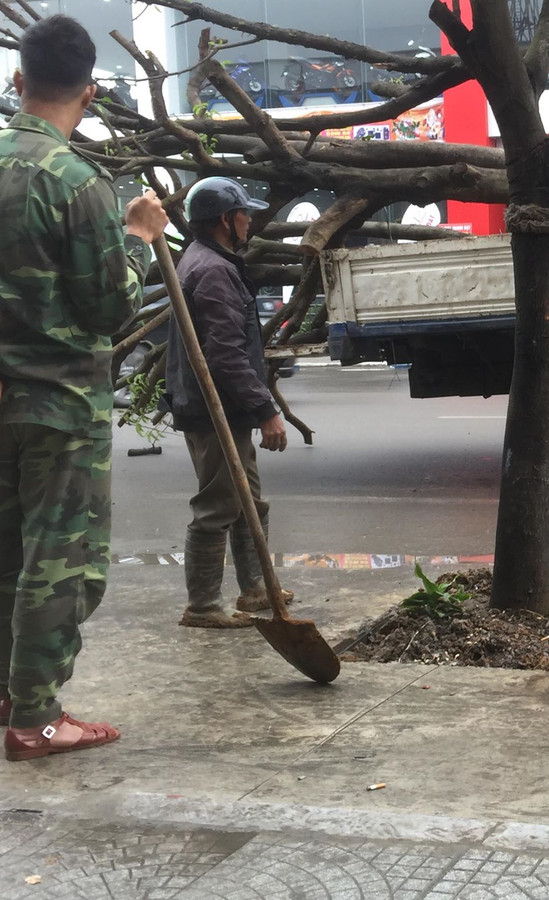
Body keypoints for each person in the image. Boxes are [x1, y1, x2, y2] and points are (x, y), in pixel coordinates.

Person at [0, 15, 167, 761]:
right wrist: (137, 240)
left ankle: (8, 692)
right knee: (60, 561)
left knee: (6, 553)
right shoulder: (80, 185)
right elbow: (108, 307)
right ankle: (34, 716)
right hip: (59, 407)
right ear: (90, 95)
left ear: (16, 81)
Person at [161, 176, 292, 629]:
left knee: (248, 502)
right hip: (211, 408)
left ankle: (256, 588)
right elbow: (226, 355)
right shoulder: (212, 270)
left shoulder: (209, 260)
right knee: (219, 506)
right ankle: (202, 606)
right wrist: (266, 410)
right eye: (245, 214)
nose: (250, 221)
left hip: (220, 406)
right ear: (225, 220)